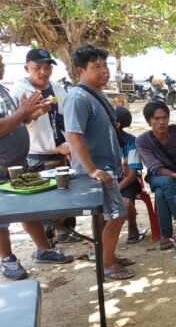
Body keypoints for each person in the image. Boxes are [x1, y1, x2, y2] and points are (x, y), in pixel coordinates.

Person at [0, 54, 73, 280]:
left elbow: (15, 121)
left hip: (14, 162)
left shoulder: (2, 89)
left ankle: (44, 249)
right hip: (1, 165)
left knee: (25, 205)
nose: (2, 66)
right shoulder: (15, 88)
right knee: (1, 215)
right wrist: (23, 112)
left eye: (2, 62)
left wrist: (30, 115)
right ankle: (7, 259)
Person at [63, 44, 133, 280]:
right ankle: (107, 264)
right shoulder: (77, 97)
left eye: (105, 65)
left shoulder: (97, 93)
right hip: (96, 172)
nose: (104, 71)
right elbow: (74, 135)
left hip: (107, 168)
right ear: (81, 71)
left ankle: (107, 255)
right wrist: (91, 169)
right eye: (96, 67)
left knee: (108, 215)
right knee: (117, 214)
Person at [10, 48, 77, 244]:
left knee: (66, 195)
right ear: (26, 68)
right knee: (43, 199)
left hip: (63, 152)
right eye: (37, 67)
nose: (43, 72)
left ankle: (65, 233)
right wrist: (33, 115)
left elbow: (67, 119)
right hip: (37, 156)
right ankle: (46, 241)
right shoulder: (19, 91)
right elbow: (13, 125)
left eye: (47, 67)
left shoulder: (57, 88)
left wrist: (70, 145)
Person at [136, 101, 176, 250]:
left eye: (164, 118)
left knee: (160, 194)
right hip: (157, 178)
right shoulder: (143, 140)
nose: (161, 122)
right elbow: (155, 168)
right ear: (148, 120)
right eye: (156, 119)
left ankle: (166, 235)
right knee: (166, 182)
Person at [114, 106, 145, 244]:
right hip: (108, 179)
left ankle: (133, 227)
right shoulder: (101, 141)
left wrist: (115, 190)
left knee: (125, 202)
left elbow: (132, 175)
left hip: (127, 180)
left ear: (117, 124)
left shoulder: (131, 142)